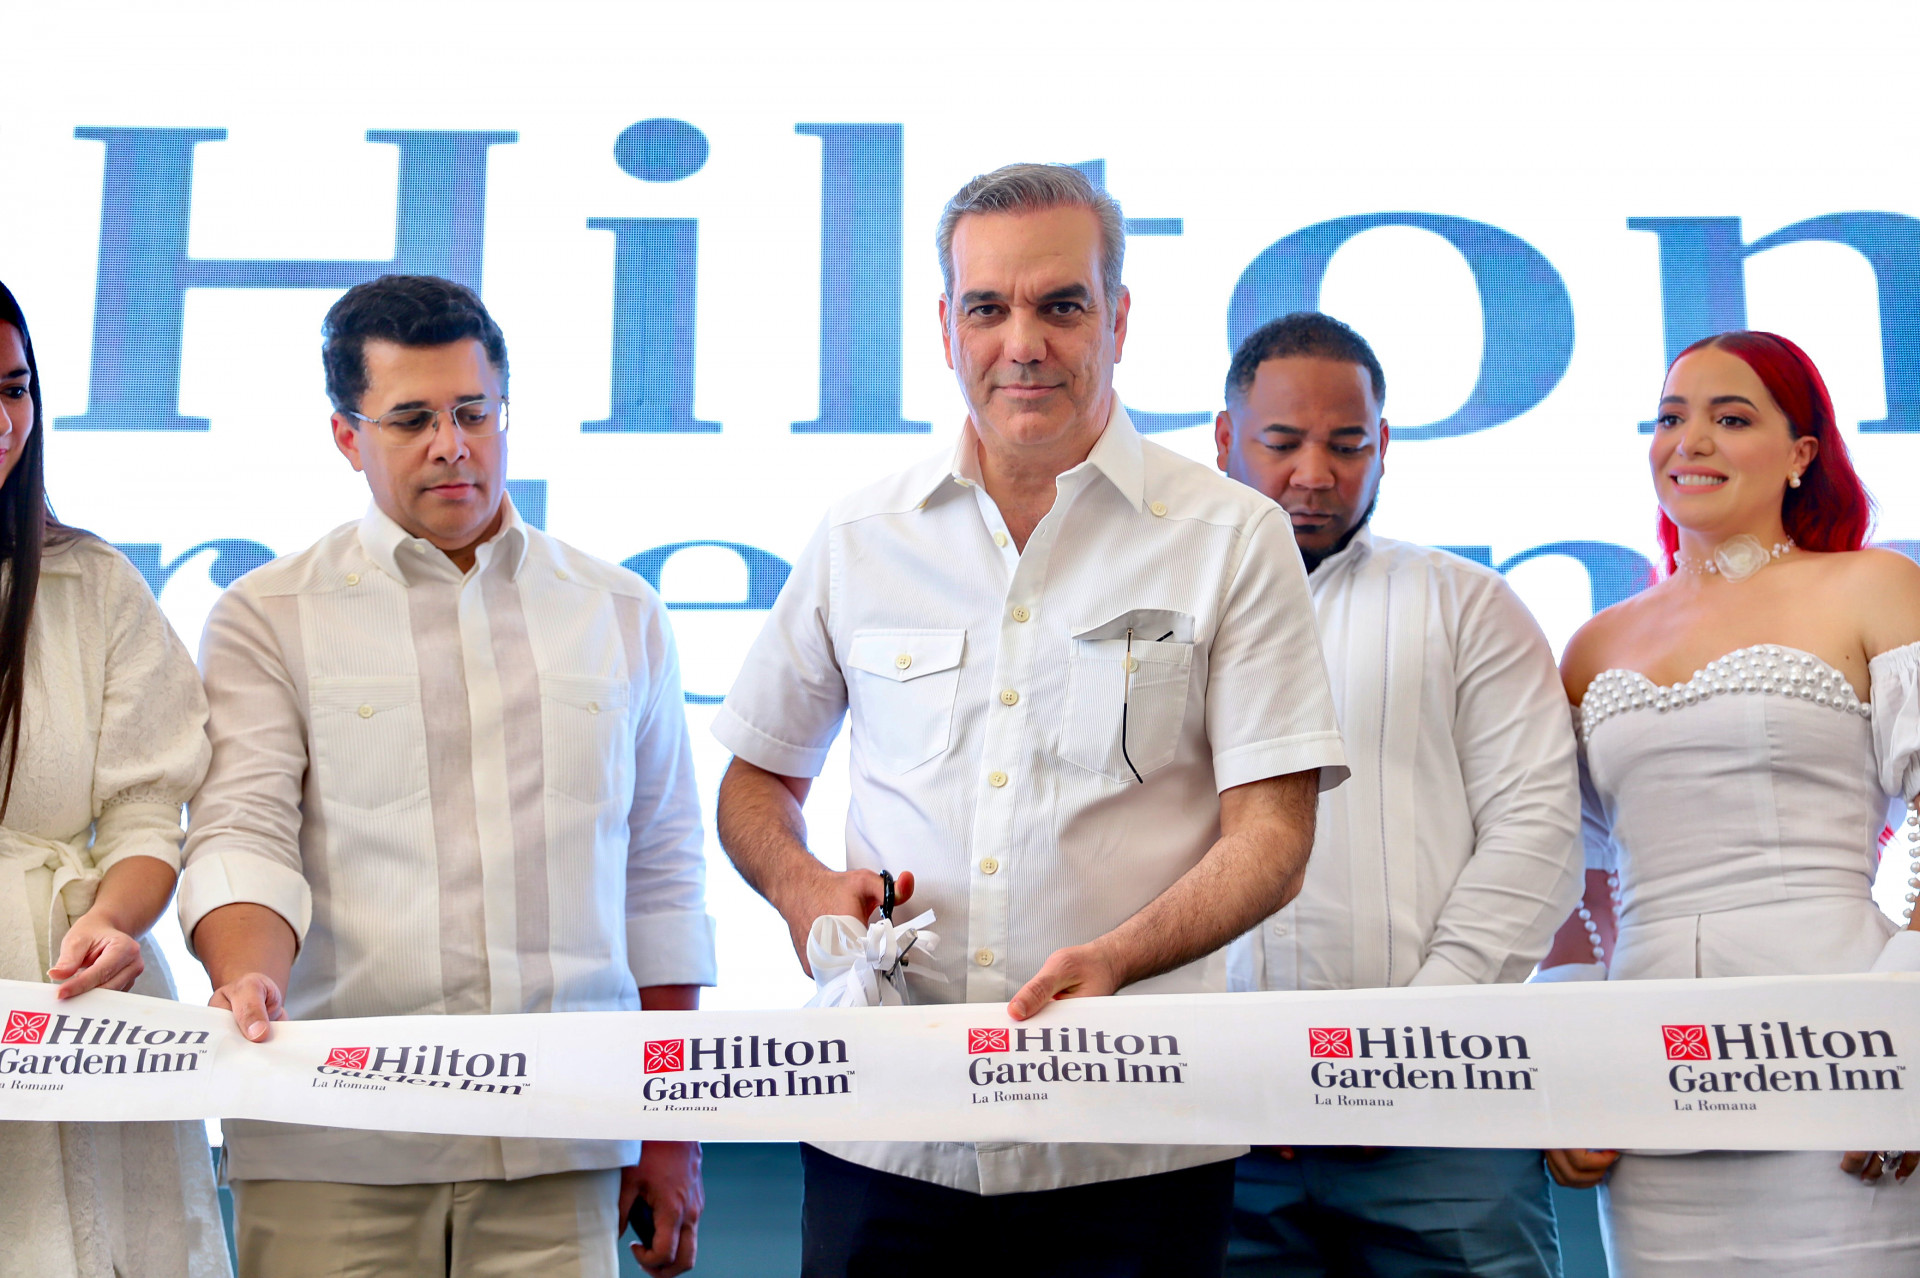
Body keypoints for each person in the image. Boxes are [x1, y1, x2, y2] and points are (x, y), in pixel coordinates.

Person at [712, 162, 1346, 1277]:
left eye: (1061, 305)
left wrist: (1119, 958)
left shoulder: (1232, 537)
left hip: (1133, 1139)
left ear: (1119, 318)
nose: (1023, 343)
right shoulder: (861, 536)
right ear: (944, 327)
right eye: (986, 308)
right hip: (884, 1130)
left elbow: (1273, 838)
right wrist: (804, 888)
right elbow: (755, 781)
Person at [180, 275, 714, 1278]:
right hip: (333, 1136)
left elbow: (661, 876)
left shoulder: (620, 611)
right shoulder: (267, 615)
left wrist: (670, 1122)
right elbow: (242, 833)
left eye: (474, 412)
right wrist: (244, 978)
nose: (452, 445)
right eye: (412, 419)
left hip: (564, 1135)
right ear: (347, 437)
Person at [1541, 331, 1920, 1275]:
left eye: (1732, 418)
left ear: (1802, 454)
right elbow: (1564, 871)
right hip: (1651, 1073)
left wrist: (1906, 1030)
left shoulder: (1873, 586)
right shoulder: (1593, 644)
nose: (1691, 441)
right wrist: (1575, 1062)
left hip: (1845, 1053)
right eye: (1671, 417)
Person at [1213, 312, 1584, 1276]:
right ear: (1224, 439)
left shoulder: (1470, 605)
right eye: (1283, 442)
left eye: (1348, 445)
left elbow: (1537, 834)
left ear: (1384, 446)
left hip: (1445, 1113)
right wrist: (1224, 1063)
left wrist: (1407, 1049)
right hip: (1214, 1120)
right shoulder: (1148, 619)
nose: (1316, 474)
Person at [0, 281, 230, 1276]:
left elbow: (145, 811)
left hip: (74, 1004)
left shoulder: (90, 583)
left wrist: (111, 921)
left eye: (14, 388)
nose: (2, 419)